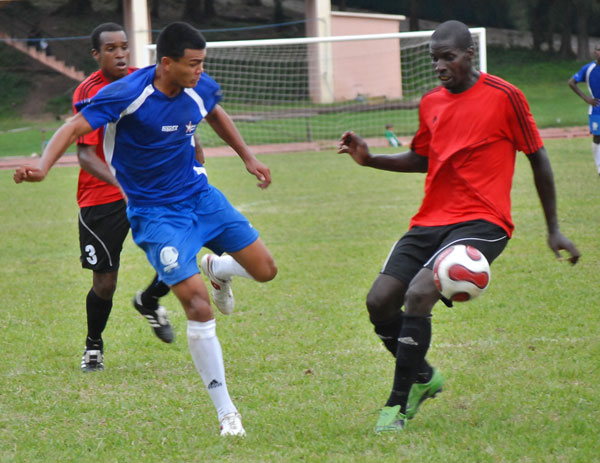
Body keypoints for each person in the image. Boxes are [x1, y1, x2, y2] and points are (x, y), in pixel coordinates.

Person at [14, 21, 277, 437]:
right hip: (155, 213)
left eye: (203, 63)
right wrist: (43, 167)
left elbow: (213, 110)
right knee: (196, 305)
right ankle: (228, 413)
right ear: (167, 63)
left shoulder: (198, 85)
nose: (200, 72)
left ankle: (219, 269)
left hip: (201, 196)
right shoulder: (126, 93)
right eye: (193, 64)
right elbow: (72, 127)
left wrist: (247, 155)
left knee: (266, 269)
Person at [338, 20, 580, 433]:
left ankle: (397, 405)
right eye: (435, 59)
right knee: (379, 301)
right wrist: (370, 158)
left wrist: (553, 227)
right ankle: (424, 377)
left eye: (447, 57)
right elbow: (423, 159)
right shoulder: (431, 102)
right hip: (431, 219)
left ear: (470, 54)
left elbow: (538, 158)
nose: (439, 66)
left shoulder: (506, 96)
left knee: (418, 293)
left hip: (485, 221)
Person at [15, 23, 174, 373]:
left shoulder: (144, 80)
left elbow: (173, 113)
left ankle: (149, 300)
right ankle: (93, 347)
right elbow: (86, 155)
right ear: (96, 55)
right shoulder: (88, 91)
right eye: (111, 49)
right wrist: (123, 185)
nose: (120, 54)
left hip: (146, 190)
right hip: (100, 197)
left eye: (124, 47)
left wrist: (193, 146)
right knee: (105, 281)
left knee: (178, 254)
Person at [568, 43, 600, 175]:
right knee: (597, 137)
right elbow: (571, 82)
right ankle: (599, 167)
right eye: (598, 49)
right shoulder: (589, 68)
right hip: (596, 108)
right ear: (595, 52)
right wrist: (587, 99)